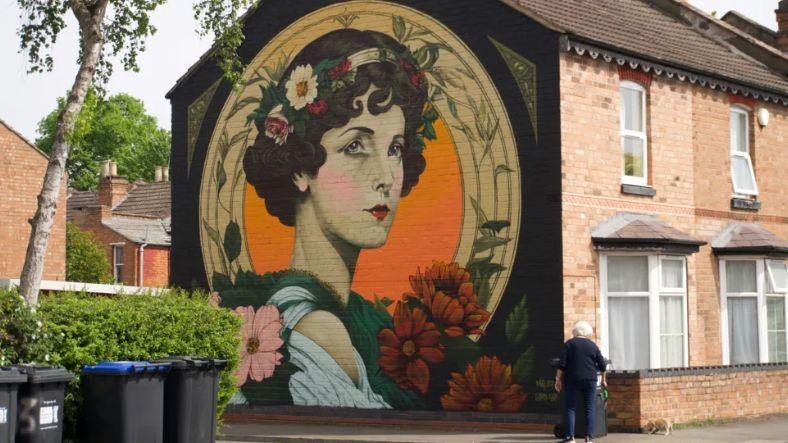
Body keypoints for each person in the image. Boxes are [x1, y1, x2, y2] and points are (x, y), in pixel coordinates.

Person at [241, 28, 434, 408]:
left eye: (394, 148)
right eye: (356, 146)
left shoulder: (361, 319)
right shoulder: (318, 328)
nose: (385, 175)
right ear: (300, 167)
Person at [554, 321, 608, 443]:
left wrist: (558, 380)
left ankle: (570, 437)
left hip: (572, 379)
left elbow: (561, 364)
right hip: (590, 379)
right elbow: (602, 365)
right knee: (589, 408)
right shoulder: (593, 345)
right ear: (587, 332)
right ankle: (589, 438)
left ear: (575, 331)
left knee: (570, 408)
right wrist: (603, 379)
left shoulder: (569, 344)